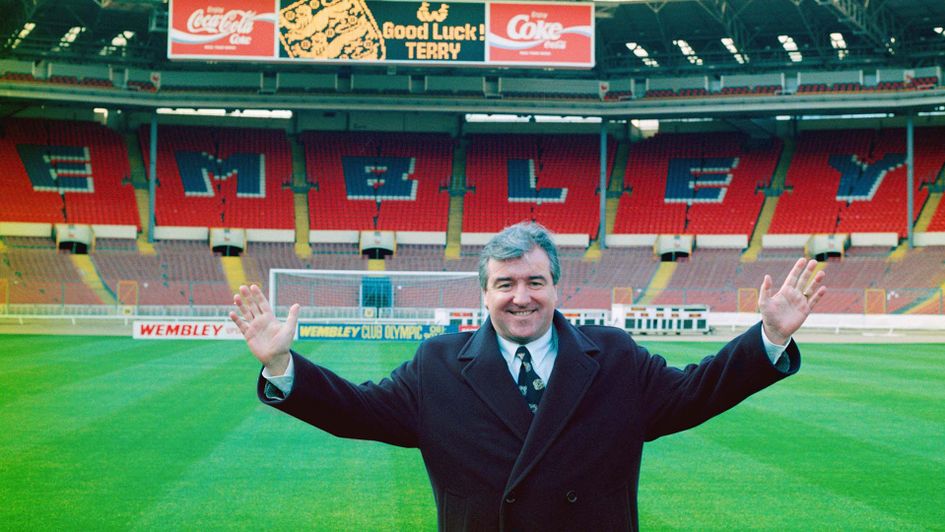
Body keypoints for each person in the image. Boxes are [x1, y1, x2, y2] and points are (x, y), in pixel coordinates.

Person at [229, 222, 826, 531]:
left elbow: (697, 392)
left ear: (555, 287)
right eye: (505, 284)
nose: (521, 298)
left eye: (535, 282)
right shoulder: (438, 365)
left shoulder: (614, 358)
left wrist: (769, 337)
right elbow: (358, 411)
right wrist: (282, 365)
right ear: (484, 292)